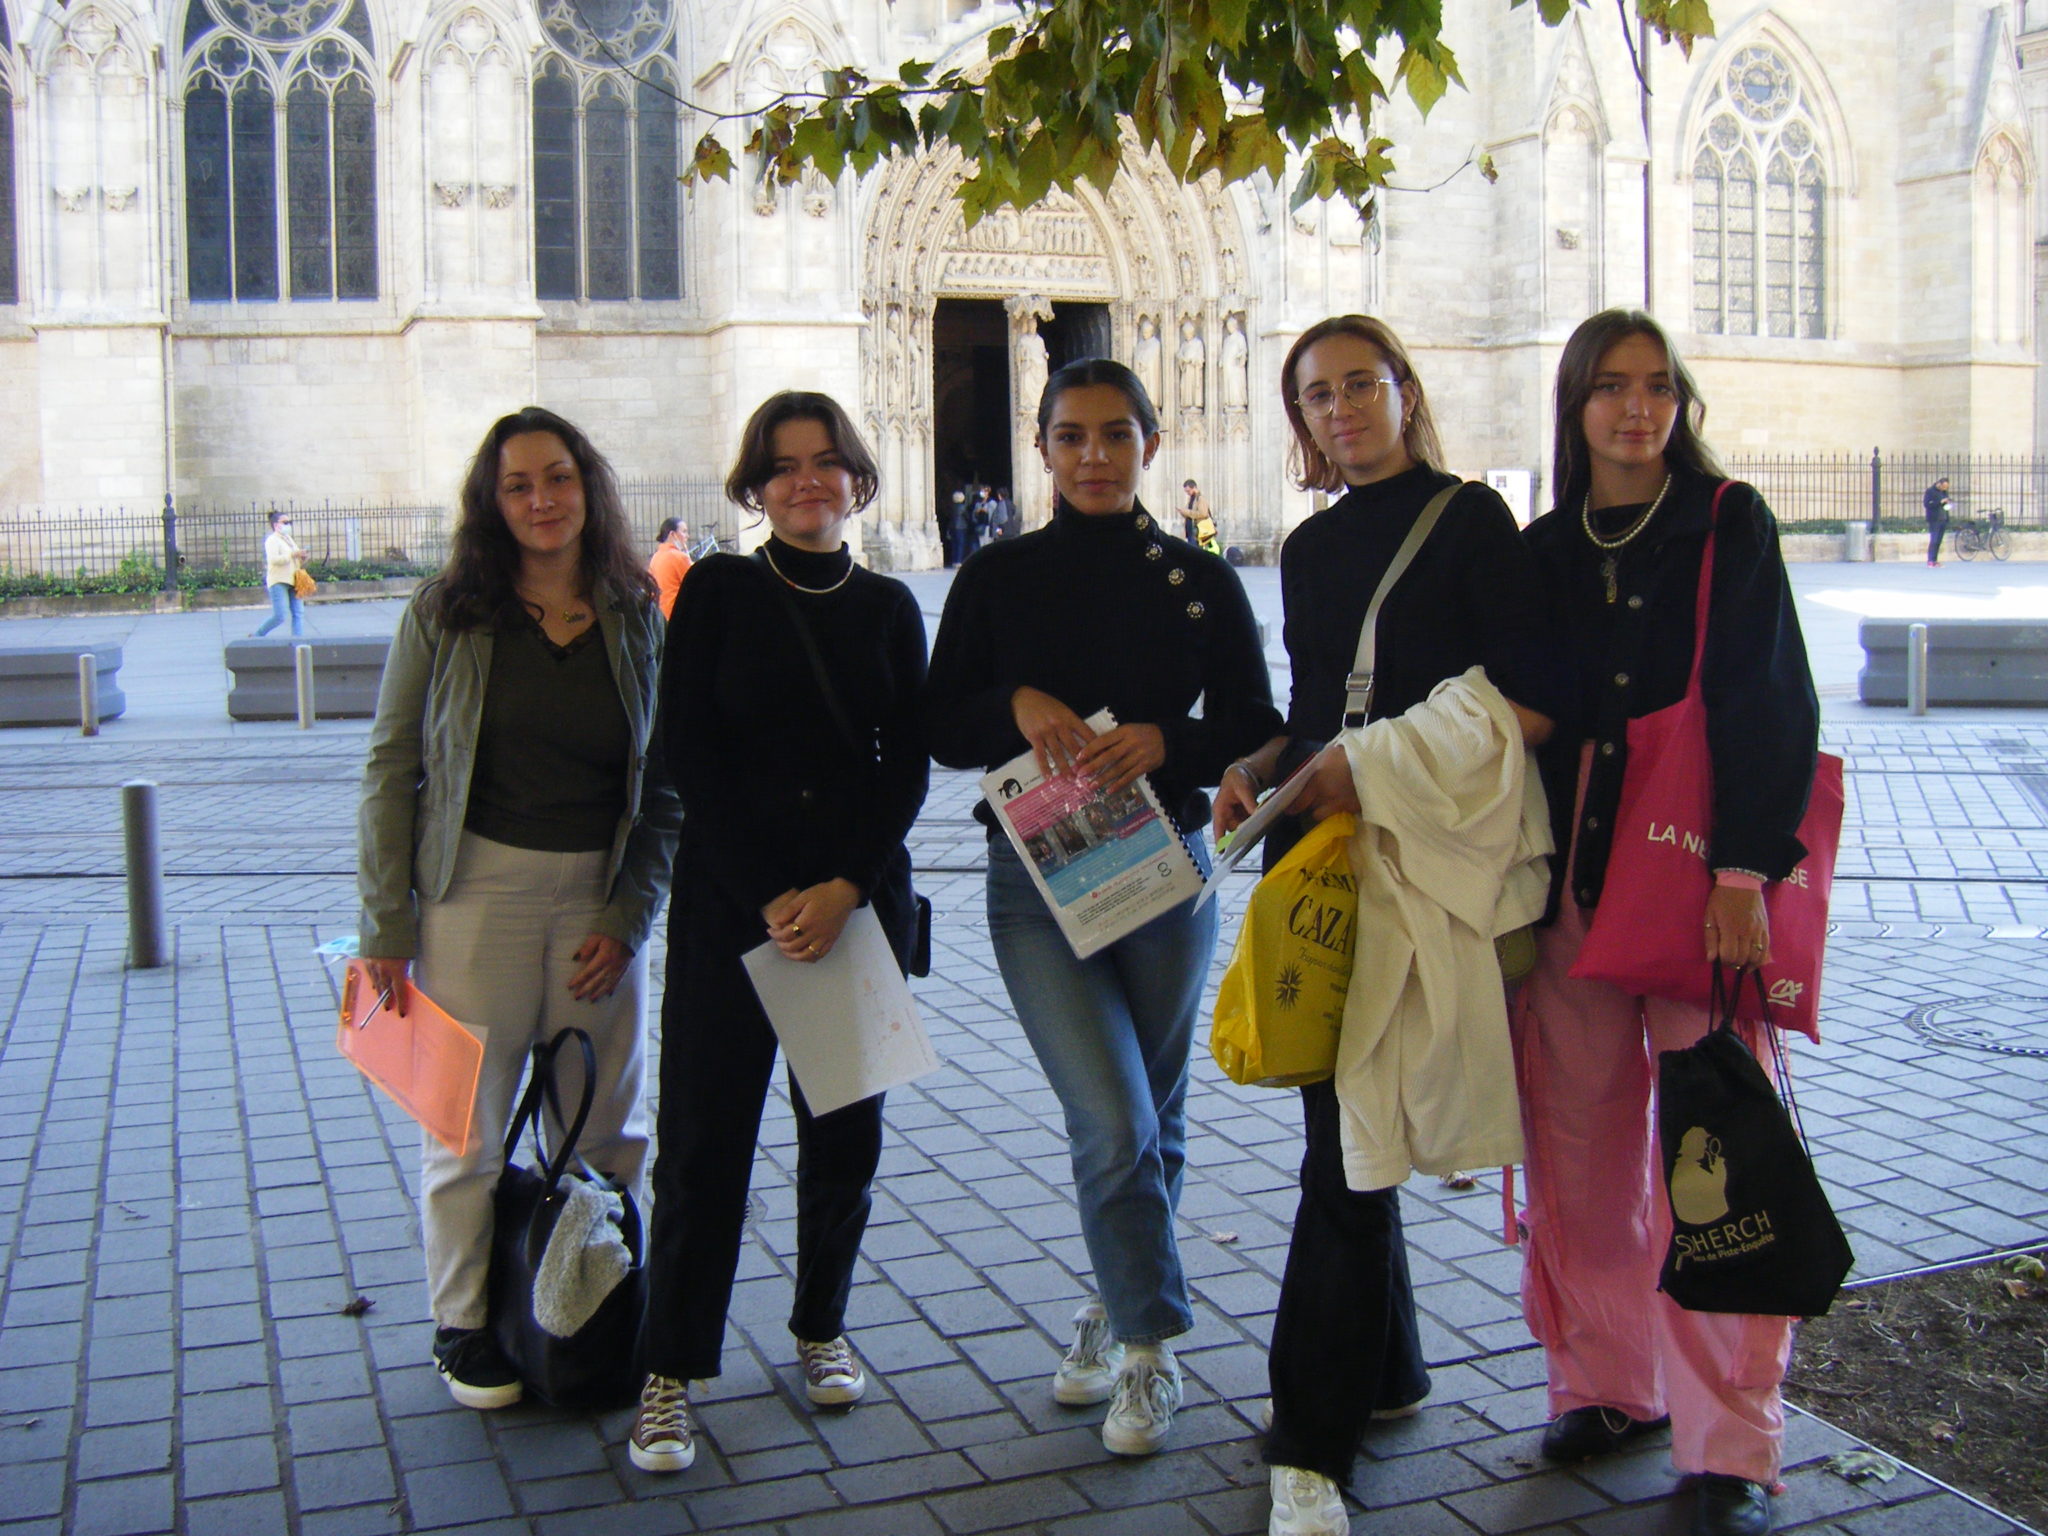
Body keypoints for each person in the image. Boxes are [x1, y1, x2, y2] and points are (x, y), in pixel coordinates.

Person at [1212, 315, 1561, 1536]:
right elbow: (1319, 708)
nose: (1341, 408)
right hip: (1323, 860)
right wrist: (1259, 767)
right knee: (1343, 1122)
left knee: (1343, 1152)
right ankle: (1389, 1369)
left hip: (1420, 858)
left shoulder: (1470, 522)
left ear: (1404, 392)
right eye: (1316, 395)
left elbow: (1527, 704)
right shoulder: (1308, 548)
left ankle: (1309, 1440)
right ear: (1299, 419)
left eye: (1360, 384)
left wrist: (1372, 766)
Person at [924, 358, 1281, 1459]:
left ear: (1150, 445)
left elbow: (1259, 726)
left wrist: (1172, 740)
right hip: (1038, 887)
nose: (1093, 455)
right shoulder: (995, 578)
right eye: (1070, 436)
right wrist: (1016, 702)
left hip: (1164, 871)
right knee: (1114, 1118)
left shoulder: (1199, 581)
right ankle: (1150, 1342)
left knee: (1155, 1115)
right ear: (1039, 449)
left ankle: (1114, 1311)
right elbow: (940, 723)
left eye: (1116, 434)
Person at [1514, 309, 1818, 1536]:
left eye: (1655, 386)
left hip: (1696, 874)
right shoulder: (1543, 546)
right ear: (1574, 404)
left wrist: (1742, 871)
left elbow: (1768, 697)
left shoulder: (1726, 523)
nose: (1636, 408)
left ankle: (1729, 1448)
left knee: (1712, 1155)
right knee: (1576, 1148)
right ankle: (1605, 1384)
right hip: (1568, 880)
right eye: (1610, 387)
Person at [356, 406, 680, 1412]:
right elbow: (390, 766)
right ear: (491, 503)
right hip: (473, 893)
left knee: (603, 1120)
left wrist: (628, 915)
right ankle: (462, 1323)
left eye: (559, 478)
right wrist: (385, 926)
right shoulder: (447, 613)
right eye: (519, 485)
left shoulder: (634, 610)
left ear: (589, 488)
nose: (543, 500)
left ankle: (599, 1307)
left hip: (597, 896)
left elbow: (667, 782)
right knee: (465, 1120)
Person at [631, 391, 928, 1474]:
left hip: (851, 910)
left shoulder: (890, 606)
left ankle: (820, 1325)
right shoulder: (717, 589)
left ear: (857, 477)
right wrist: (770, 892)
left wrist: (846, 884)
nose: (808, 480)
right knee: (702, 1145)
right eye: (784, 465)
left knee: (843, 1142)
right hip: (733, 911)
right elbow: (688, 750)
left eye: (826, 460)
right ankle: (670, 1368)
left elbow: (906, 763)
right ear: (755, 487)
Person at [252, 509, 308, 636]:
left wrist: (302, 557)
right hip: (279, 581)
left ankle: (298, 641)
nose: (289, 525)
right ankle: (258, 635)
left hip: (294, 580)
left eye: (290, 522)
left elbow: (295, 558)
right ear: (276, 525)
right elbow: (274, 560)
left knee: (298, 613)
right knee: (280, 616)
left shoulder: (288, 539)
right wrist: (292, 554)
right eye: (285, 522)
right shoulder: (272, 540)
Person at [648, 516, 693, 618]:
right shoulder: (679, 557)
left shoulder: (656, 557)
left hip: (660, 615)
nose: (687, 536)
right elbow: (697, 584)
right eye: (684, 532)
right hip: (679, 614)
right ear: (673, 534)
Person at [1924, 476, 1952, 567]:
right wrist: (1940, 502)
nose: (1944, 489)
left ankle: (1935, 560)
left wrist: (1948, 503)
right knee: (1934, 540)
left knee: (1939, 541)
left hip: (1943, 518)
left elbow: (1945, 505)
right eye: (1943, 487)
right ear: (1939, 484)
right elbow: (1927, 504)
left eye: (1946, 487)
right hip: (1934, 519)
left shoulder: (1944, 492)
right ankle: (1930, 560)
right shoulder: (1930, 491)